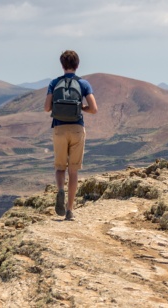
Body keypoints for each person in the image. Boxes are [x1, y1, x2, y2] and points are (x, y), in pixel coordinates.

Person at [44, 50, 98, 220]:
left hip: (59, 128)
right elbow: (94, 109)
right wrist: (80, 108)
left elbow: (47, 108)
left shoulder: (54, 83)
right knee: (73, 171)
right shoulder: (84, 84)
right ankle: (70, 210)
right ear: (77, 65)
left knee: (60, 167)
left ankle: (60, 190)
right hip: (77, 128)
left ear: (62, 65)